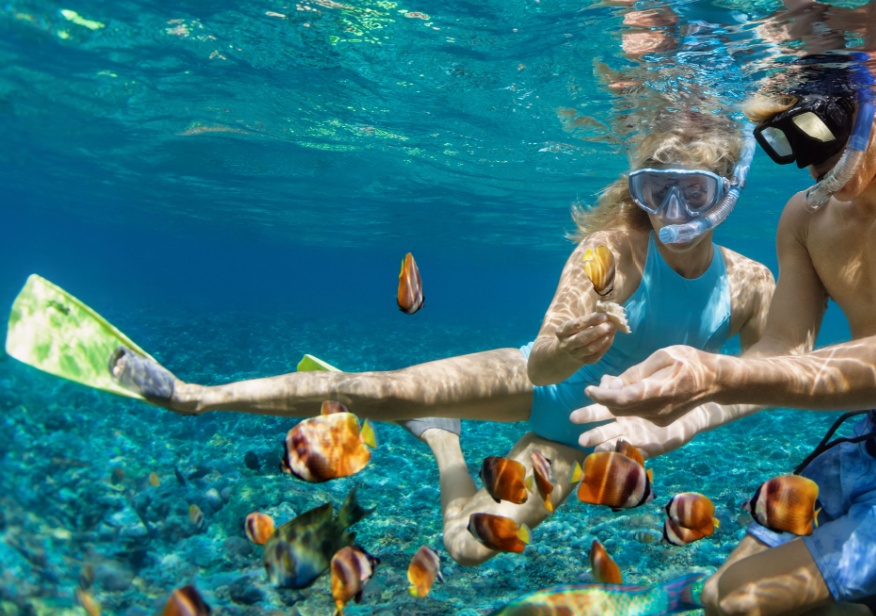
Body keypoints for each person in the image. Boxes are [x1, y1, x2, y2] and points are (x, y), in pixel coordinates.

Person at [110, 108, 777, 567]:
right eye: (656, 191)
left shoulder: (750, 285)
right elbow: (543, 358)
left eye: (693, 192)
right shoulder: (613, 252)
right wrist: (571, 344)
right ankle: (195, 394)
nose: (673, 212)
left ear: (726, 195)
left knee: (467, 548)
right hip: (529, 380)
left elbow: (772, 375)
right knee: (370, 390)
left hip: (578, 442)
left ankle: (441, 438)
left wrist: (693, 412)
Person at [574, 63, 876, 616]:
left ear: (871, 106)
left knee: (739, 602)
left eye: (819, 135)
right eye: (788, 145)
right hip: (867, 443)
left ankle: (802, 594)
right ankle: (852, 603)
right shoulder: (805, 217)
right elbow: (783, 350)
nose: (815, 165)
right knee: (727, 593)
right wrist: (686, 417)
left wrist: (715, 375)